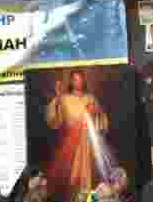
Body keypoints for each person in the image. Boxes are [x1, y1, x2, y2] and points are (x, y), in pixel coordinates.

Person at [44, 70, 110, 199]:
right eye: (75, 79)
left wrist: (95, 113)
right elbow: (55, 120)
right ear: (71, 81)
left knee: (90, 176)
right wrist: (57, 97)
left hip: (89, 144)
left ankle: (89, 200)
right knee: (73, 178)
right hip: (70, 145)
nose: (78, 81)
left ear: (84, 81)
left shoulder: (90, 98)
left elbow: (102, 121)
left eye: (80, 79)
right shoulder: (64, 98)